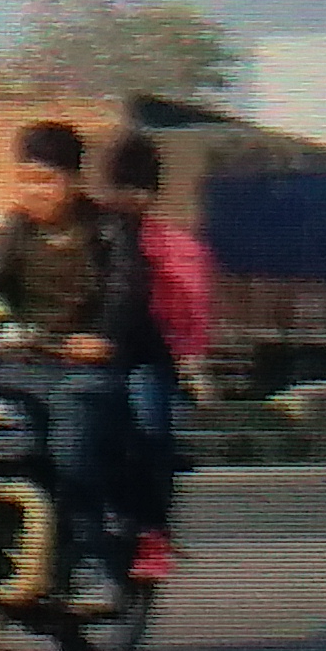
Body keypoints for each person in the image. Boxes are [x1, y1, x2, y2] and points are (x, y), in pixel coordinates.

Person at [0, 119, 146, 576]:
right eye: (24, 178)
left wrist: (103, 336)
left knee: (69, 451)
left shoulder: (110, 231)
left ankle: (88, 561)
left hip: (86, 373)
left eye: (45, 179)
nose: (32, 191)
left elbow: (127, 291)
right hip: (20, 366)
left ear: (73, 181)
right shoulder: (13, 235)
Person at [89, 129, 205, 581]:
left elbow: (186, 320)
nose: (125, 199)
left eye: (132, 190)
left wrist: (183, 360)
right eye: (119, 189)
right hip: (82, 354)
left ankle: (152, 534)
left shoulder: (173, 249)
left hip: (141, 359)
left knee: (150, 431)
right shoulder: (88, 235)